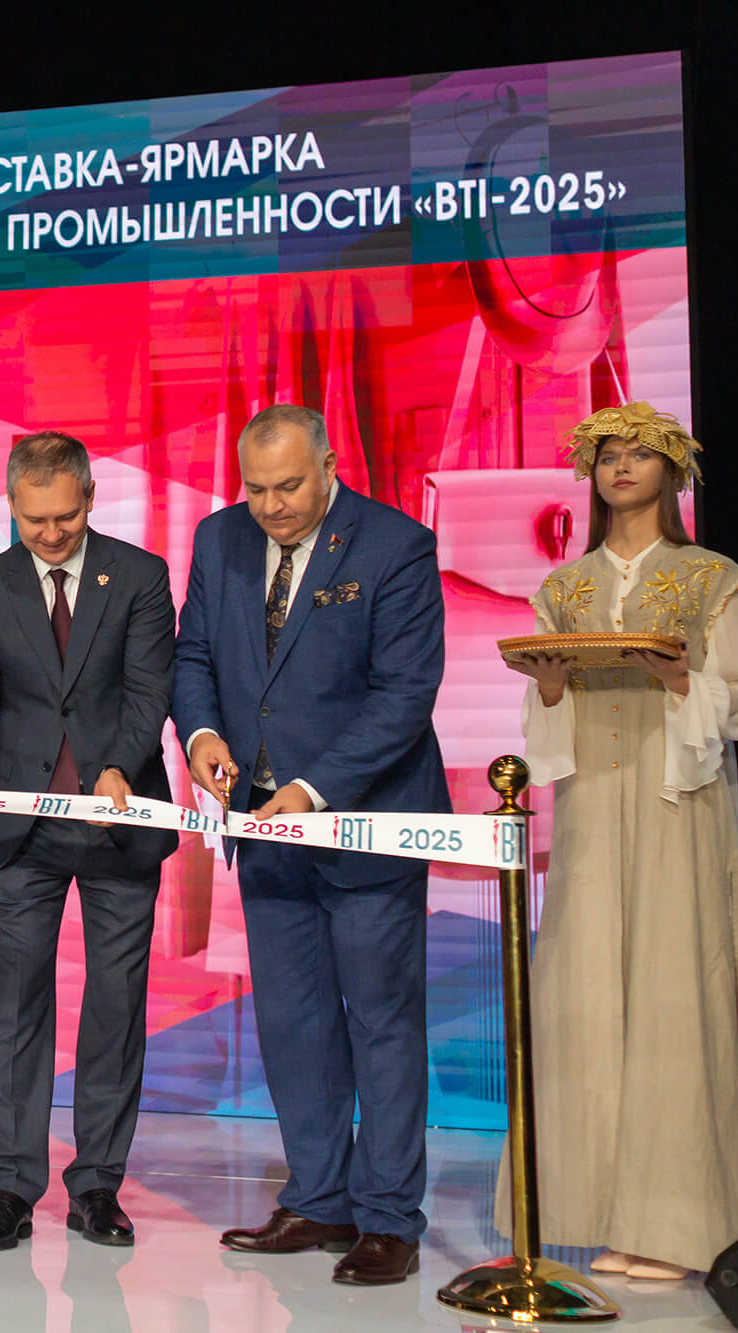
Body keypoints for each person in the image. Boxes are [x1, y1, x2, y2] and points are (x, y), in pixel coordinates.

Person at [501, 403, 738, 1280]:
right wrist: (551, 688)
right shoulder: (566, 586)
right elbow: (547, 719)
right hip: (592, 805)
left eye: (639, 454)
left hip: (676, 800)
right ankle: (596, 1210)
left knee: (673, 993)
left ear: (673, 471)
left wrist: (682, 676)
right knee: (586, 992)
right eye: (608, 456)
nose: (621, 468)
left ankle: (679, 1221)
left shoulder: (710, 578)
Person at [172, 404, 449, 1285]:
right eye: (255, 489)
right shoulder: (218, 539)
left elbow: (403, 696)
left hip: (365, 826)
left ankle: (389, 1218)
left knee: (382, 1022)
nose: (272, 506)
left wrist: (314, 787)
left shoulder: (396, 546)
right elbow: (193, 657)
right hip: (264, 829)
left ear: (330, 464)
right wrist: (202, 735)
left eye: (289, 486)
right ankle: (320, 1197)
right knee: (293, 1022)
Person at [0, 431, 177, 1252]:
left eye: (64, 517)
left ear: (90, 498)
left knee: (116, 1003)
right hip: (24, 828)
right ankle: (10, 1184)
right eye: (33, 518)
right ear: (12, 504)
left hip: (122, 821)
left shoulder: (141, 576)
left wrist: (118, 768)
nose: (49, 533)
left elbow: (149, 690)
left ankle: (98, 1185)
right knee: (17, 1001)